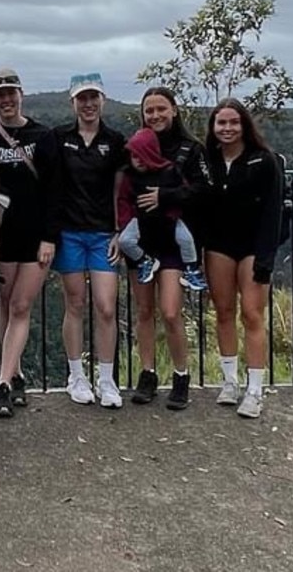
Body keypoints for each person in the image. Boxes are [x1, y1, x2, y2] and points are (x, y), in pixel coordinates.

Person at [40, 72, 127, 409]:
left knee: (106, 307)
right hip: (69, 233)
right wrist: (49, 236)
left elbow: (122, 191)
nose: (88, 104)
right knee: (74, 303)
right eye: (82, 98)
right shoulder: (58, 137)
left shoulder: (115, 141)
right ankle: (76, 375)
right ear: (73, 102)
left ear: (102, 100)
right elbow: (50, 187)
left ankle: (107, 380)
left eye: (94, 98)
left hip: (104, 233)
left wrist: (121, 230)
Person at [129, 87, 212, 410]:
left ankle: (181, 376)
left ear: (174, 110)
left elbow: (204, 191)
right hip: (143, 244)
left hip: (175, 242)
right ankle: (147, 375)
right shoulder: (137, 148)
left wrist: (166, 197)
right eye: (149, 111)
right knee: (145, 311)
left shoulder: (191, 150)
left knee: (171, 311)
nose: (155, 116)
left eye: (161, 109)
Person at [204, 99, 284, 419]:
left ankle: (254, 389)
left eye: (233, 122)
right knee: (223, 312)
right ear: (213, 127)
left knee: (252, 314)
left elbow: (273, 211)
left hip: (253, 247)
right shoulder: (207, 161)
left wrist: (266, 257)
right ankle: (230, 382)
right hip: (219, 246)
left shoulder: (264, 161)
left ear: (244, 125)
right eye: (221, 123)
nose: (227, 128)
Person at [0, 69, 50, 417]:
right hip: (4, 237)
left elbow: (55, 191)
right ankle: (17, 373)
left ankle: (2, 383)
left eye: (10, 93)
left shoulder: (42, 135)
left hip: (38, 238)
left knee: (21, 305)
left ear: (21, 94)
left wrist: (50, 237)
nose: (6, 100)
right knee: (5, 303)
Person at [117, 128, 208, 291]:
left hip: (169, 219)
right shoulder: (129, 177)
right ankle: (145, 261)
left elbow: (185, 193)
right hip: (141, 220)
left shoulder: (170, 172)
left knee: (186, 239)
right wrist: (124, 222)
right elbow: (123, 200)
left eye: (142, 155)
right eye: (134, 156)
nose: (138, 160)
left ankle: (191, 269)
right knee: (125, 240)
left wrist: (169, 203)